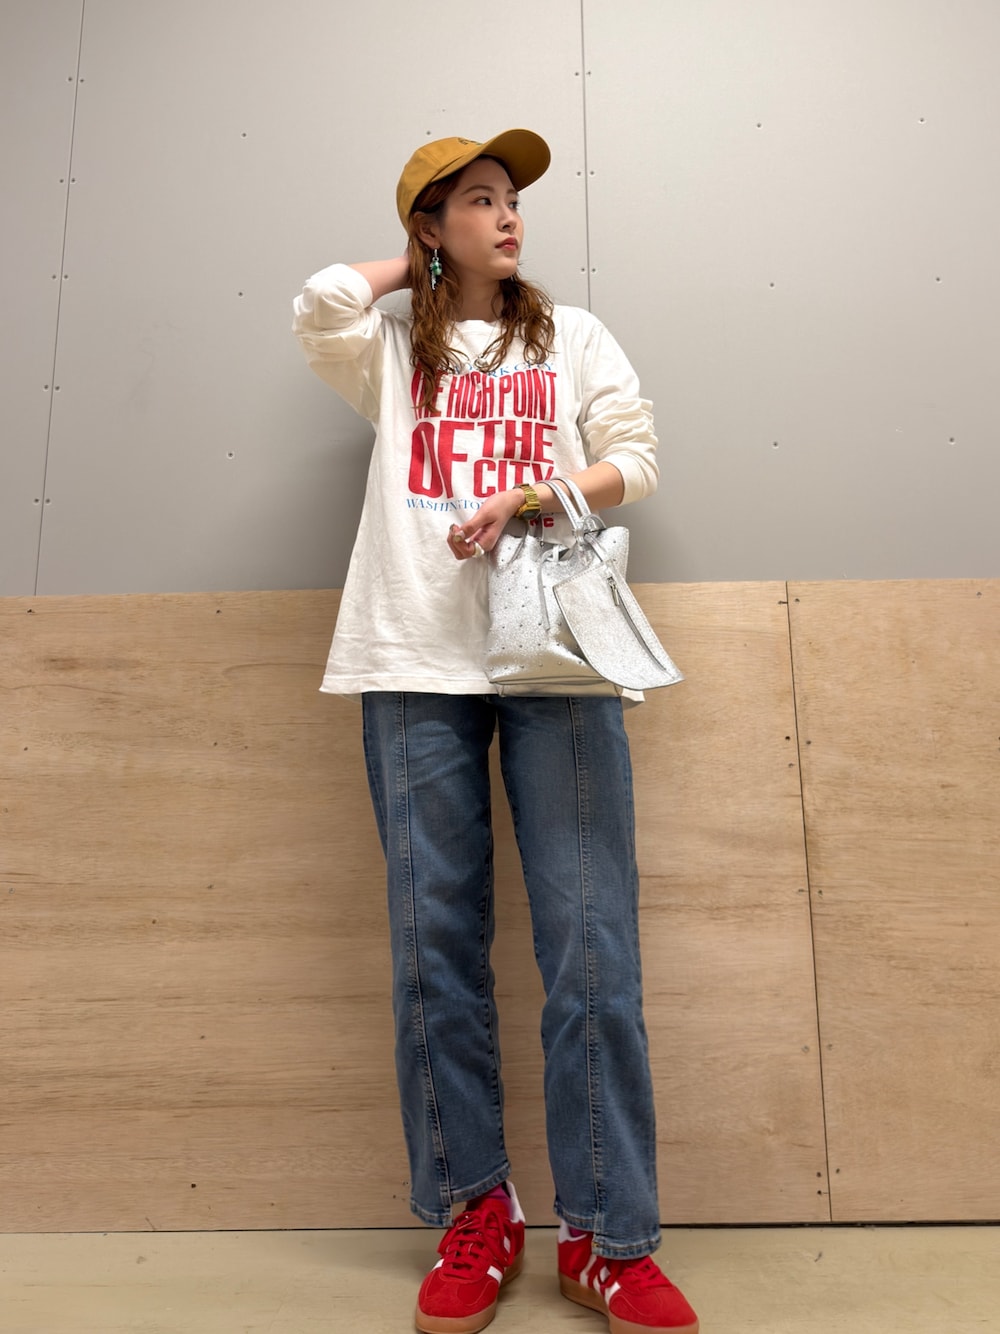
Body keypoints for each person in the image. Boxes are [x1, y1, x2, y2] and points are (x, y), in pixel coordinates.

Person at [292, 129, 699, 1334]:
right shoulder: (389, 350)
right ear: (431, 224)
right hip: (413, 655)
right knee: (435, 951)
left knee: (591, 949)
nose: (508, 215)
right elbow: (317, 301)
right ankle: (477, 1209)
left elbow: (636, 458)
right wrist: (417, 263)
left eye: (511, 198)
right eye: (477, 200)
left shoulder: (570, 336)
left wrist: (533, 492)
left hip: (556, 656)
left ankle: (607, 1237)